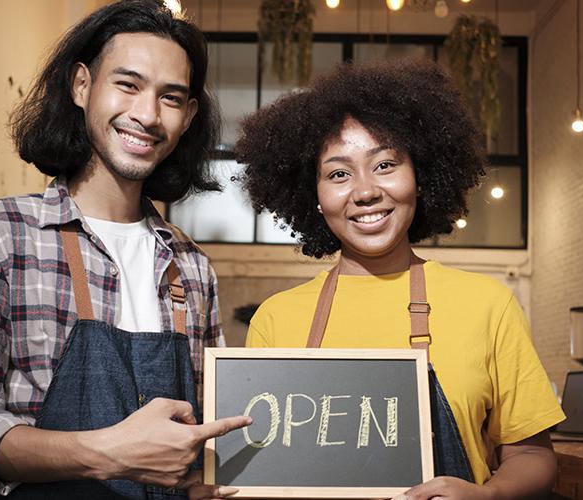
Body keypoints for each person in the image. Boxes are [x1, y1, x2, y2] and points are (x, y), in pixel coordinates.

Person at [0, 1, 250, 498]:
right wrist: (109, 453)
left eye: (171, 98)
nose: (147, 115)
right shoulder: (1, 236)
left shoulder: (192, 267)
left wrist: (200, 481)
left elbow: (202, 434)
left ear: (189, 116)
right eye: (128, 85)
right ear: (82, 85)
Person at [234, 59, 565, 500]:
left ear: (420, 176)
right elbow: (259, 469)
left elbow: (534, 456)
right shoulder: (276, 319)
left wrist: (488, 495)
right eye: (338, 173)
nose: (366, 190)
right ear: (313, 196)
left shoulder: (489, 305)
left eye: (385, 164)